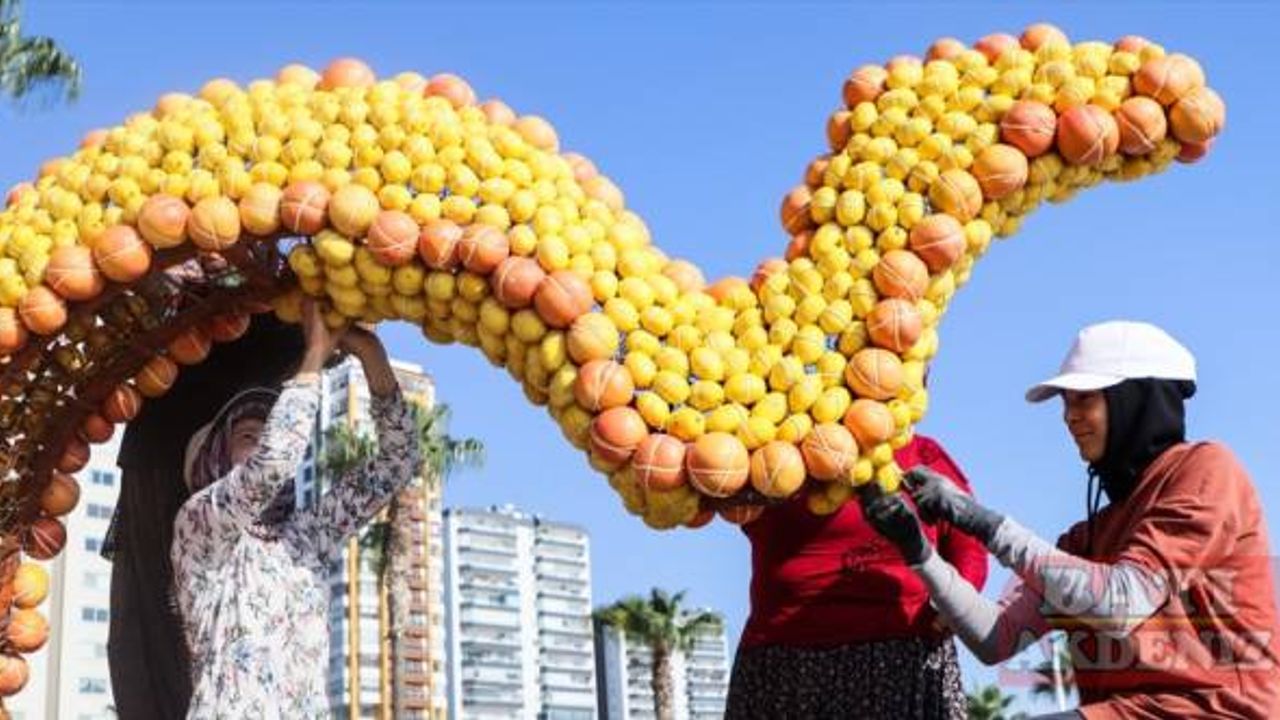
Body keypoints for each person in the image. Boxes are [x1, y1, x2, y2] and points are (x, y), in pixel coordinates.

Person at [862, 320, 1280, 719]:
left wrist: (985, 524)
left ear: (1134, 400)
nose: (1069, 416)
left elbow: (1123, 602)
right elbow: (997, 638)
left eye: (1085, 399)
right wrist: (918, 550)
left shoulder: (1205, 470)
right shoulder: (1088, 538)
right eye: (1065, 403)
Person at [170, 300, 421, 719]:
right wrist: (315, 356)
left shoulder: (304, 536)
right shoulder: (199, 523)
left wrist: (371, 356)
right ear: (211, 458)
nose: (266, 439)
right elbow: (270, 466)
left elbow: (397, 464)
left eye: (270, 430)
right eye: (249, 434)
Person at [726, 432, 988, 719]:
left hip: (905, 656)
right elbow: (713, 494)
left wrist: (956, 607)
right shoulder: (770, 451)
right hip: (783, 664)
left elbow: (969, 540)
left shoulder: (919, 453)